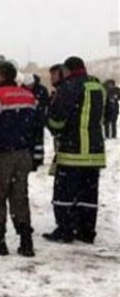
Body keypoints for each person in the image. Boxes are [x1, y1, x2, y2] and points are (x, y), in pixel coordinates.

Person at [0, 61, 41, 257]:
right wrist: (37, 156)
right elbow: (37, 130)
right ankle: (26, 241)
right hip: (23, 155)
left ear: (0, 76)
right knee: (20, 197)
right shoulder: (30, 97)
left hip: (1, 155)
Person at [44, 56, 106, 244]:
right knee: (88, 195)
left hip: (73, 150)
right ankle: (87, 231)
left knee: (64, 194)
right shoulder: (98, 86)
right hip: (94, 152)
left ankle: (65, 230)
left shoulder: (69, 87)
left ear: (68, 70)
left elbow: (57, 120)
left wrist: (49, 119)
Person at [22, 73, 50, 166]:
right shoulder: (22, 90)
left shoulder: (42, 90)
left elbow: (45, 104)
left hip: (38, 119)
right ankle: (28, 158)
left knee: (38, 141)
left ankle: (38, 159)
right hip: (26, 120)